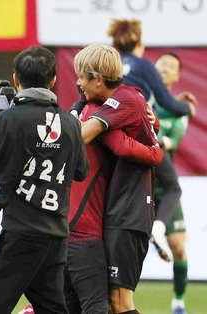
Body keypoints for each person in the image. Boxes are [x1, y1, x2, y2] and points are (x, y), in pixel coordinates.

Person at [0, 45, 89, 314]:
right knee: (52, 308)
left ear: (16, 79)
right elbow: (81, 171)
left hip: (21, 233)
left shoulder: (10, 118)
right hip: (57, 235)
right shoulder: (70, 123)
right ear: (53, 81)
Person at [75, 44, 160, 314]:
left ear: (98, 79)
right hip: (119, 211)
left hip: (130, 213)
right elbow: (121, 145)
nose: (78, 83)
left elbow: (80, 137)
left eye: (82, 77)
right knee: (110, 302)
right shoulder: (120, 102)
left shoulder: (126, 99)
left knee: (120, 302)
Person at [152, 52, 193, 314]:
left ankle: (178, 301)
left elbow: (173, 142)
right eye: (163, 63)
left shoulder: (180, 109)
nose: (166, 67)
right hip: (138, 183)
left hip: (164, 186)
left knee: (178, 246)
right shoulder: (143, 98)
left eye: (172, 66)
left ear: (177, 76)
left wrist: (159, 140)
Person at [107, 19, 195, 118]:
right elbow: (166, 102)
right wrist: (188, 108)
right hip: (132, 122)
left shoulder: (109, 65)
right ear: (139, 44)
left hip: (108, 117)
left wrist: (176, 99)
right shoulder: (143, 64)